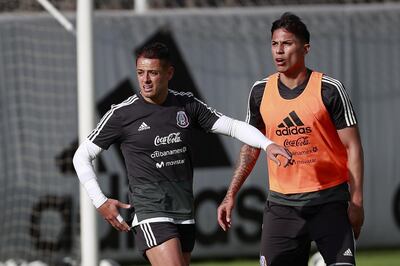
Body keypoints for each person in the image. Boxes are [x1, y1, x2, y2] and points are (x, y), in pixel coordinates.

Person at [72, 42, 291, 266]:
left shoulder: (186, 104)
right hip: (150, 211)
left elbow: (233, 127)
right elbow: (81, 156)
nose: (145, 80)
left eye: (153, 73)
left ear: (169, 73)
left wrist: (267, 144)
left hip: (184, 212)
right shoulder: (122, 114)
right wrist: (100, 201)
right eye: (140, 73)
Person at [217, 12, 364, 266]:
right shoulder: (260, 91)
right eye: (274, 44)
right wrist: (231, 194)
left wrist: (357, 201)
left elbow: (353, 147)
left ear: (305, 48)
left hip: (328, 202)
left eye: (286, 44)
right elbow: (251, 147)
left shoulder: (329, 89)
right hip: (282, 207)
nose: (279, 51)